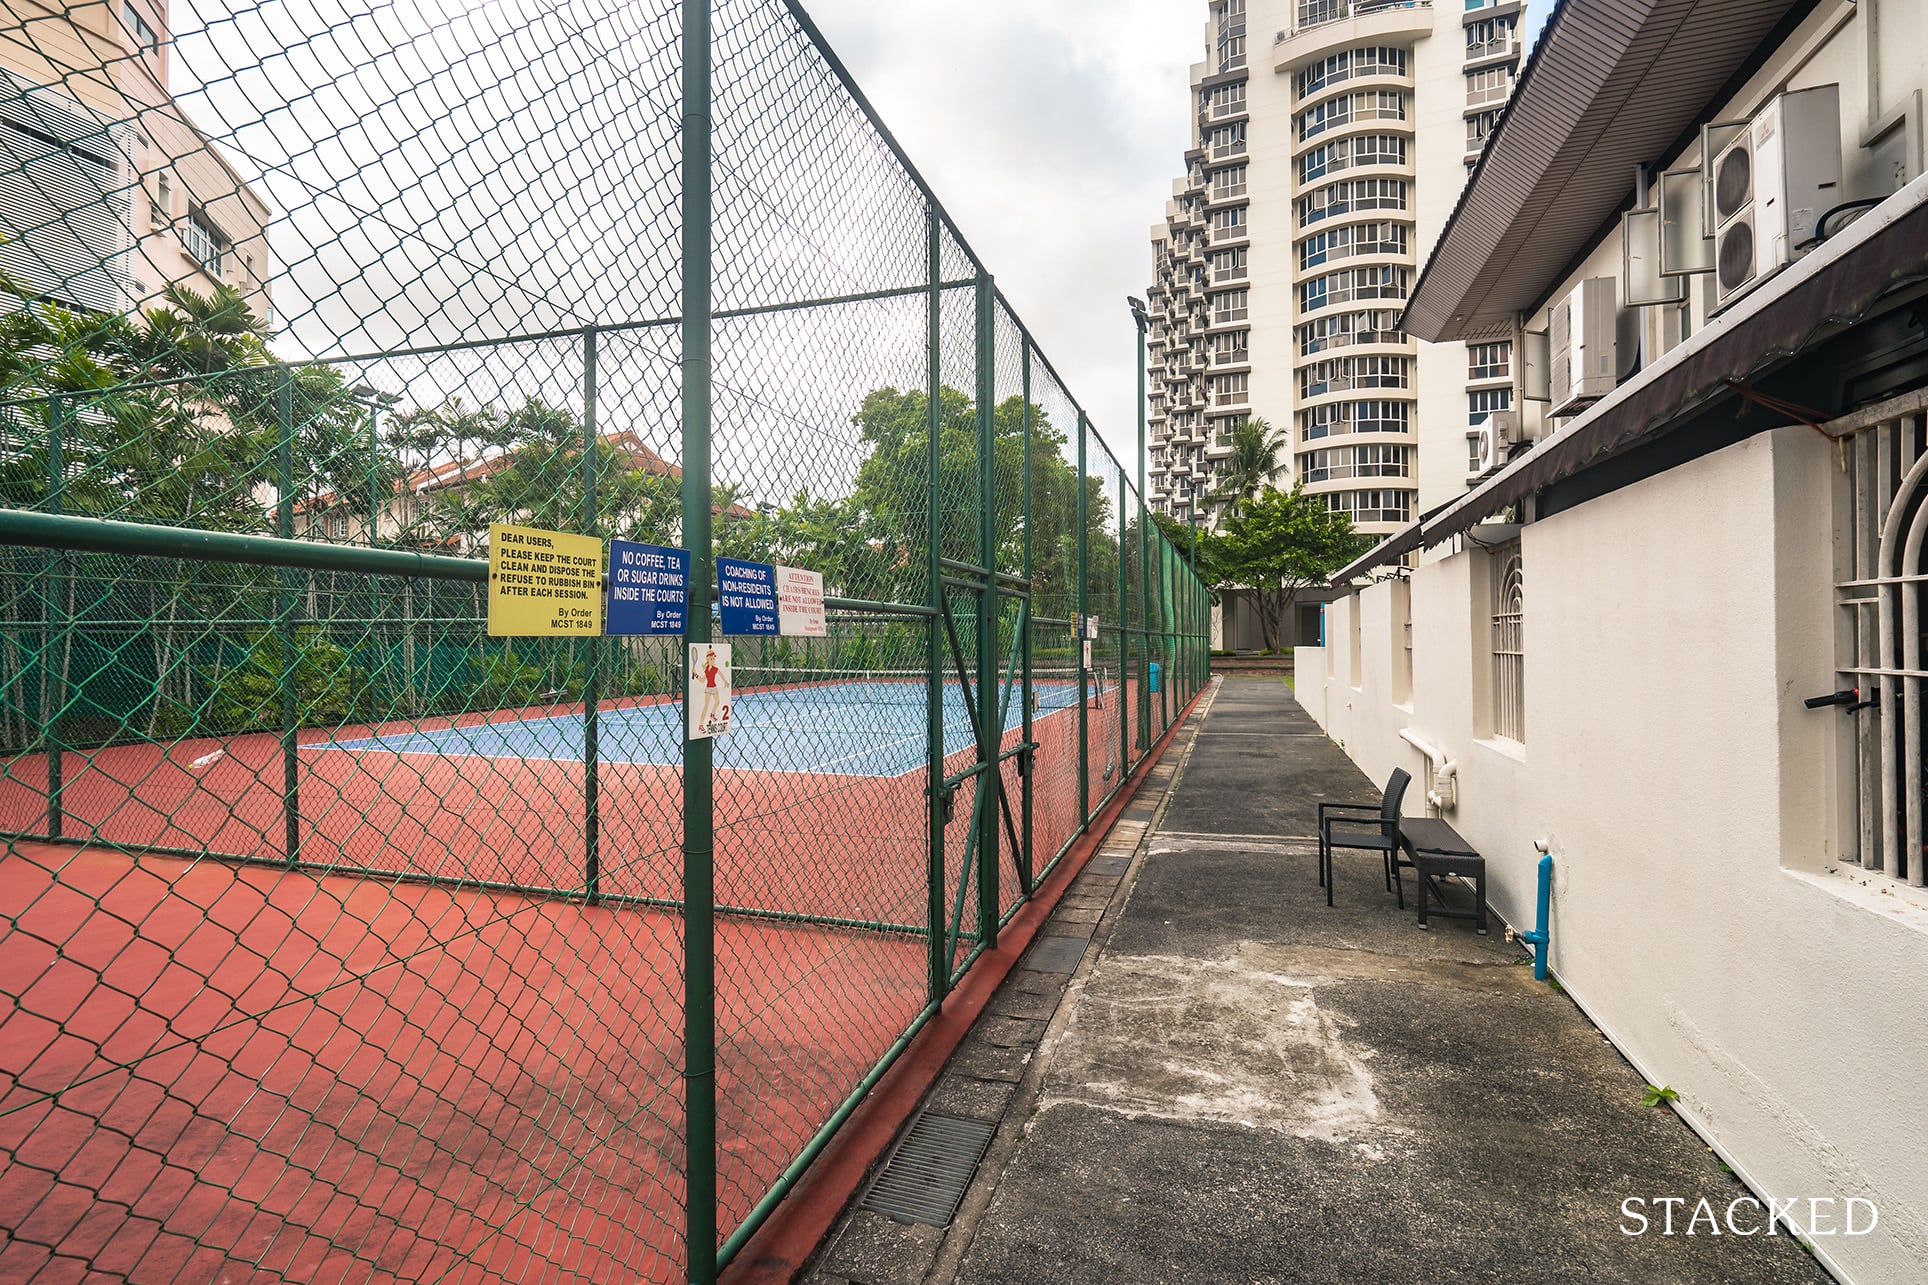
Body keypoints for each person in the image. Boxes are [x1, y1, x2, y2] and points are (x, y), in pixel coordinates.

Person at [699, 646, 724, 732]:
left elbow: (721, 675)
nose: (713, 660)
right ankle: (701, 725)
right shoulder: (706, 670)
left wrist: (726, 682)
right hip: (708, 688)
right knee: (706, 706)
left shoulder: (715, 669)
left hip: (714, 687)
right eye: (711, 659)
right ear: (708, 659)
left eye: (714, 659)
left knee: (717, 702)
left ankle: (712, 714)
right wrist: (695, 675)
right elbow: (702, 680)